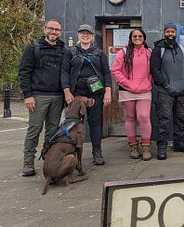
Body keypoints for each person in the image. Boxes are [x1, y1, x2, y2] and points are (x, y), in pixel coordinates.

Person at [18, 20, 66, 176]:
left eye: (57, 29)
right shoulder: (33, 48)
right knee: (34, 129)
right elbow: (24, 72)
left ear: (60, 32)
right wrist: (28, 95)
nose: (54, 32)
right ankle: (28, 161)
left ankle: (48, 158)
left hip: (58, 96)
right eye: (51, 28)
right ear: (44, 29)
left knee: (52, 131)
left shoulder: (64, 49)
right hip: (38, 96)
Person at [61, 24, 112, 165]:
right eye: (82, 33)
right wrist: (67, 91)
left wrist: (108, 91)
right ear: (78, 35)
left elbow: (106, 73)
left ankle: (97, 152)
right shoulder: (70, 52)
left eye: (88, 33)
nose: (85, 35)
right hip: (76, 93)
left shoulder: (99, 53)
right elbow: (64, 72)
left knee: (95, 123)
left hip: (94, 93)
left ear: (92, 36)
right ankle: (72, 153)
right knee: (73, 124)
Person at [150, 22, 184, 160]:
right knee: (164, 119)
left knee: (180, 118)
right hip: (164, 91)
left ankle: (179, 143)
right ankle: (162, 146)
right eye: (168, 31)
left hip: (181, 91)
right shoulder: (158, 49)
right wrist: (165, 85)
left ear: (176, 34)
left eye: (172, 32)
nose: (170, 34)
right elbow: (154, 70)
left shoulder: (181, 48)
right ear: (164, 33)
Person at [111, 29, 153, 161]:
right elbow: (115, 70)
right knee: (130, 117)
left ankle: (146, 147)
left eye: (140, 36)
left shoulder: (149, 52)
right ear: (130, 38)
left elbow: (154, 70)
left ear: (144, 38)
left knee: (144, 117)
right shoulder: (123, 52)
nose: (137, 38)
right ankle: (133, 146)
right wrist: (128, 83)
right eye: (134, 36)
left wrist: (148, 83)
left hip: (145, 90)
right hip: (127, 90)